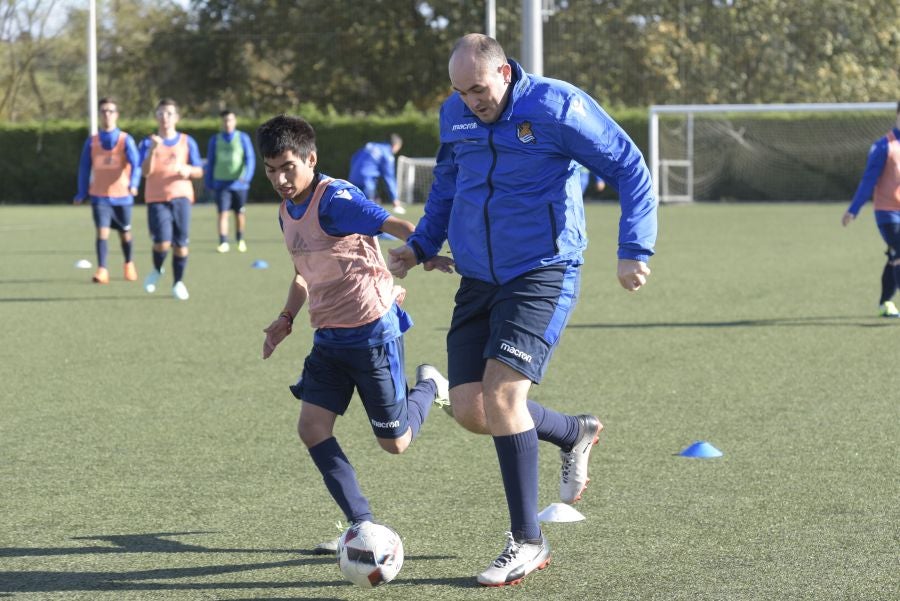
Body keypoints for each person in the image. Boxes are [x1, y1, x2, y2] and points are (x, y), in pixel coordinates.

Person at [388, 34, 657, 587]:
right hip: (477, 276)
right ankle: (573, 431)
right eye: (461, 92)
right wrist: (419, 247)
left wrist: (633, 248)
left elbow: (630, 166)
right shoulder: (454, 114)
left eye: (479, 89)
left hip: (542, 269)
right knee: (470, 410)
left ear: (505, 73)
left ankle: (529, 541)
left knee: (504, 396)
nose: (471, 101)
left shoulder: (558, 107)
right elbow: (447, 186)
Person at [255, 115, 454, 551]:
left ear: (311, 158)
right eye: (271, 170)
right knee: (312, 428)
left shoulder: (336, 200)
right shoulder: (286, 211)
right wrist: (286, 319)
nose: (281, 179)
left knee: (396, 443)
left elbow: (393, 223)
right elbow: (303, 273)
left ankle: (429, 386)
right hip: (327, 336)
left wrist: (425, 251)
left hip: (371, 333)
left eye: (288, 167)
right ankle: (362, 525)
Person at [138, 98, 204, 301]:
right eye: (160, 113)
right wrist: (152, 150)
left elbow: (199, 170)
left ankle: (178, 283)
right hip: (156, 198)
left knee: (181, 244)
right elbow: (145, 172)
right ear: (156, 116)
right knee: (162, 242)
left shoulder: (187, 141)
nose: (164, 117)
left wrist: (188, 170)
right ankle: (157, 269)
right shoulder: (148, 142)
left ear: (176, 117)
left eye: (168, 113)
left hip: (181, 197)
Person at [73, 97, 142, 284]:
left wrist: (134, 184)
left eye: (110, 111)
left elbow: (137, 165)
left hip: (123, 197)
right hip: (99, 196)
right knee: (102, 232)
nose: (107, 115)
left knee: (124, 232)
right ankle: (102, 270)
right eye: (103, 111)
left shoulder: (125, 140)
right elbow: (84, 168)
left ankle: (129, 264)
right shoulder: (92, 142)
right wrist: (81, 192)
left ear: (116, 115)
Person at [842, 101, 900, 318]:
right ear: (897, 115)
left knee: (895, 255)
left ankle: (885, 303)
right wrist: (854, 209)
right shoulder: (884, 146)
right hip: (888, 213)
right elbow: (868, 181)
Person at [205, 109, 256, 253]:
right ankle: (223, 242)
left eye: (230, 120)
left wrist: (246, 177)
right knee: (222, 213)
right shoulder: (214, 140)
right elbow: (211, 162)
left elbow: (250, 159)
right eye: (225, 120)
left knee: (239, 213)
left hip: (239, 184)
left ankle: (240, 239)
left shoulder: (243, 138)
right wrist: (209, 182)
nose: (227, 123)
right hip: (221, 183)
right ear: (221, 122)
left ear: (235, 121)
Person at [348, 134, 406, 214]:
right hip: (367, 182)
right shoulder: (387, 154)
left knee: (352, 207)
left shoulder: (370, 145)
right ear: (396, 146)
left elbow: (354, 158)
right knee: (367, 211)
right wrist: (394, 199)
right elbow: (389, 177)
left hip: (353, 178)